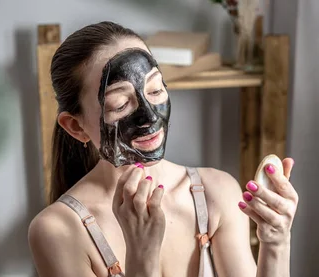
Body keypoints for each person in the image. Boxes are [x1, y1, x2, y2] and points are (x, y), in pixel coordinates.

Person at [28, 21, 299, 277]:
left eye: (155, 90)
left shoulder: (217, 192)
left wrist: (276, 242)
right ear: (76, 127)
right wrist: (142, 256)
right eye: (120, 104)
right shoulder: (57, 230)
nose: (149, 118)